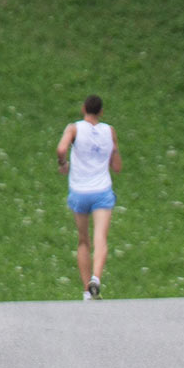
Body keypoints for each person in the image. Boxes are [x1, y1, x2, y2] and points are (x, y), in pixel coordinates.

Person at [56, 95, 121, 299]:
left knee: (83, 241)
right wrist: (113, 149)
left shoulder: (74, 128)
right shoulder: (109, 131)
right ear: (101, 112)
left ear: (84, 108)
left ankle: (86, 291)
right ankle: (96, 278)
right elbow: (117, 167)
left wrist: (63, 164)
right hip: (101, 190)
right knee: (100, 237)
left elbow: (61, 148)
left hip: (79, 191)